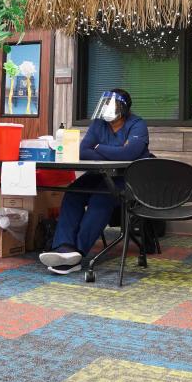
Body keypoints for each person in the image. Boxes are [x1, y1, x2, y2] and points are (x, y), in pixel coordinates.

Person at [39, 89, 152, 274]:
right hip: (99, 174)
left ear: (123, 108)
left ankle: (77, 253)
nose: (107, 108)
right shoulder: (99, 124)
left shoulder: (137, 124)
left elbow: (129, 154)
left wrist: (98, 147)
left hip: (127, 178)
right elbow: (83, 151)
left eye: (111, 104)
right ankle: (63, 246)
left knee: (102, 197)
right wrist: (113, 150)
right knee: (74, 192)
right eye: (105, 103)